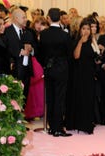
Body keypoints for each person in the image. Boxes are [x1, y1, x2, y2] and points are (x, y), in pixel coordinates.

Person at [37, 7, 72, 137]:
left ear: (49, 18)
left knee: (50, 97)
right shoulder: (65, 35)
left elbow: (39, 53)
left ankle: (52, 127)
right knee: (60, 98)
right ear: (60, 18)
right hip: (62, 69)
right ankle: (58, 128)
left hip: (48, 68)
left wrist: (45, 64)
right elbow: (70, 54)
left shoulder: (44, 34)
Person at [65, 18, 99, 135]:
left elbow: (94, 56)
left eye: (88, 29)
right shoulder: (76, 41)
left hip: (89, 75)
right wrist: (80, 41)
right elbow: (76, 56)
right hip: (78, 75)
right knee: (77, 98)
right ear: (80, 30)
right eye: (83, 28)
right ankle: (74, 123)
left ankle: (86, 124)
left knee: (88, 99)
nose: (86, 31)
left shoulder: (92, 41)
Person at [3, 8, 35, 109]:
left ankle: (21, 118)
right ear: (16, 18)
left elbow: (36, 49)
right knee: (12, 97)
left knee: (24, 96)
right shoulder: (7, 31)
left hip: (26, 70)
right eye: (24, 17)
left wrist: (31, 50)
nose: (26, 19)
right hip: (13, 69)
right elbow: (4, 49)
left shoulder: (28, 33)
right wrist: (19, 52)